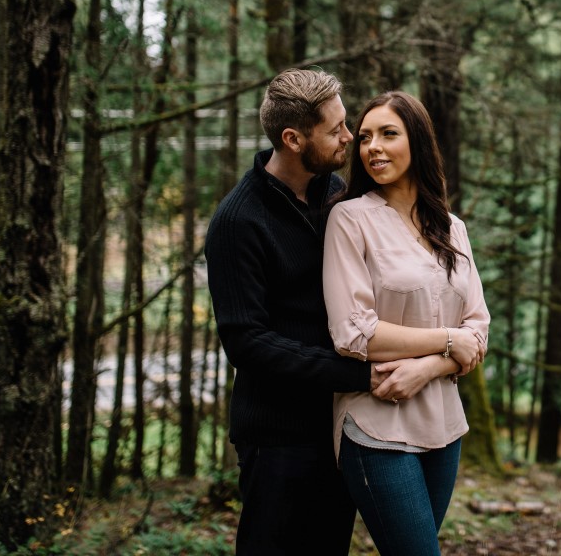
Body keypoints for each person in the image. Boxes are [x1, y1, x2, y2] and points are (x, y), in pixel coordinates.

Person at [205, 69, 472, 555]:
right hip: (280, 432)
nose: (351, 139)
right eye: (338, 130)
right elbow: (247, 340)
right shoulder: (239, 220)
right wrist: (357, 374)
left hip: (338, 422)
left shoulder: (334, 196)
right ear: (293, 138)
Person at [323, 90, 490, 556]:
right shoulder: (350, 219)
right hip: (378, 422)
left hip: (444, 424)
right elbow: (354, 333)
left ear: (416, 140)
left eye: (388, 134)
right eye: (364, 137)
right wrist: (447, 342)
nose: (373, 146)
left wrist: (430, 367)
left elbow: (479, 330)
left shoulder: (452, 227)